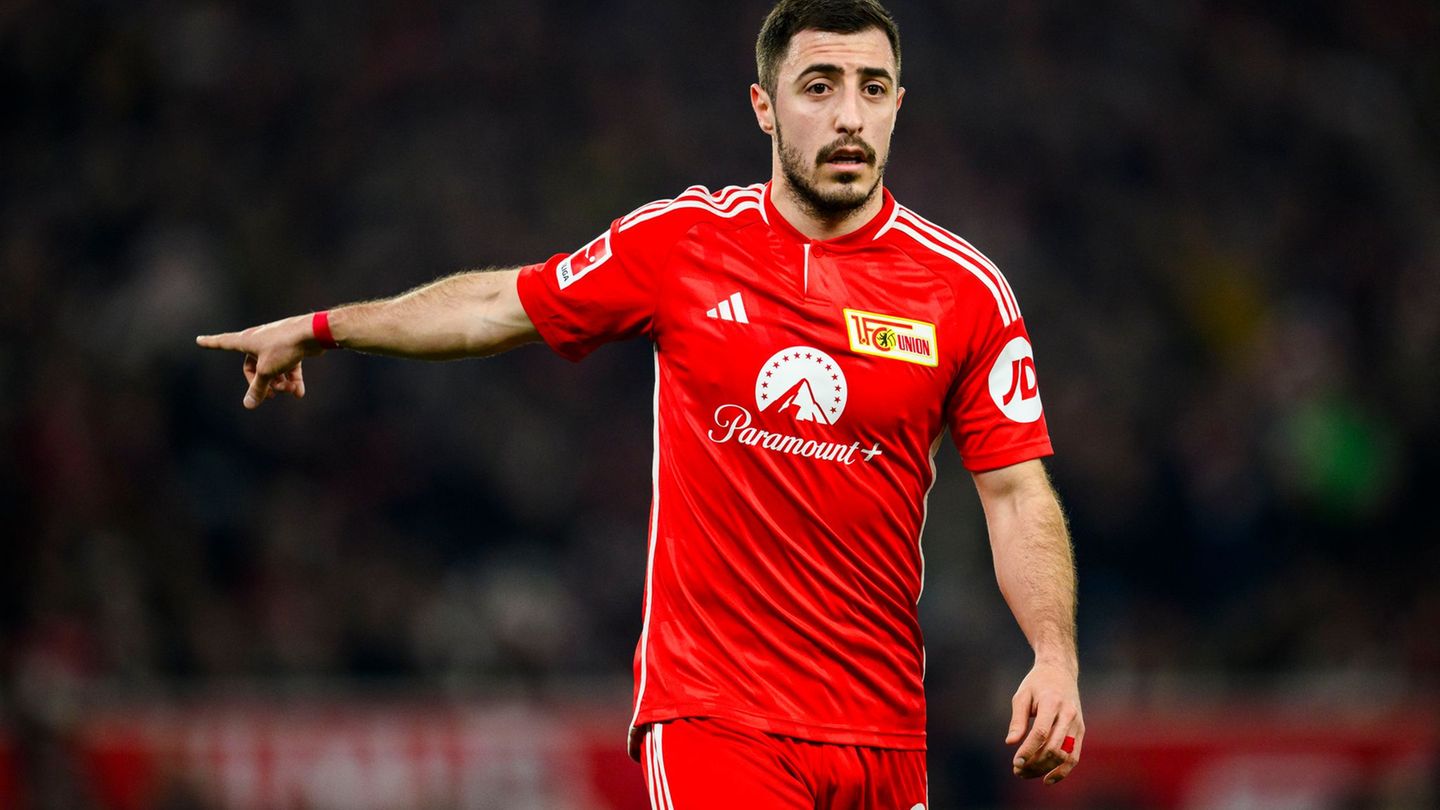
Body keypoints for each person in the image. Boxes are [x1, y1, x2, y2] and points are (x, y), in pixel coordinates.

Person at [196, 0, 1083, 806]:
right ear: (765, 107)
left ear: (897, 105)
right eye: (819, 86)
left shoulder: (962, 290)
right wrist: (324, 325)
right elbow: (499, 307)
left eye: (872, 88)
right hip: (715, 716)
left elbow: (1016, 494)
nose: (849, 114)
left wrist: (1053, 653)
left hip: (883, 731)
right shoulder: (684, 245)